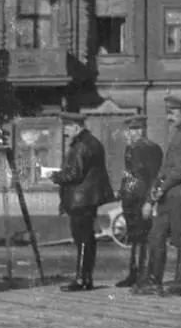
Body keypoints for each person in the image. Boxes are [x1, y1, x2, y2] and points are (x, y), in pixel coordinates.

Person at [135, 96, 181, 297]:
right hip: (167, 193)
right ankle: (154, 280)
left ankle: (180, 282)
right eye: (168, 113)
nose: (169, 118)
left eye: (172, 113)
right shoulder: (178, 134)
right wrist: (152, 196)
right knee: (156, 236)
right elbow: (164, 169)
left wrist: (161, 188)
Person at [52, 112, 115, 292]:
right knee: (87, 238)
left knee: (82, 239)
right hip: (89, 198)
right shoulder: (93, 142)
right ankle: (86, 278)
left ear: (76, 127)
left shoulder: (80, 146)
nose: (65, 131)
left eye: (67, 127)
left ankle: (81, 279)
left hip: (80, 199)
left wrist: (55, 176)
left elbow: (75, 174)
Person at [115, 116, 163, 288]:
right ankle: (134, 273)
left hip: (141, 198)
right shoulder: (131, 148)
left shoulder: (150, 148)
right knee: (134, 236)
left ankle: (144, 274)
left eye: (136, 129)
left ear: (143, 130)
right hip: (131, 198)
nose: (132, 133)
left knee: (143, 237)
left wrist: (149, 200)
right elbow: (129, 174)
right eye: (130, 130)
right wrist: (122, 191)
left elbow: (151, 176)